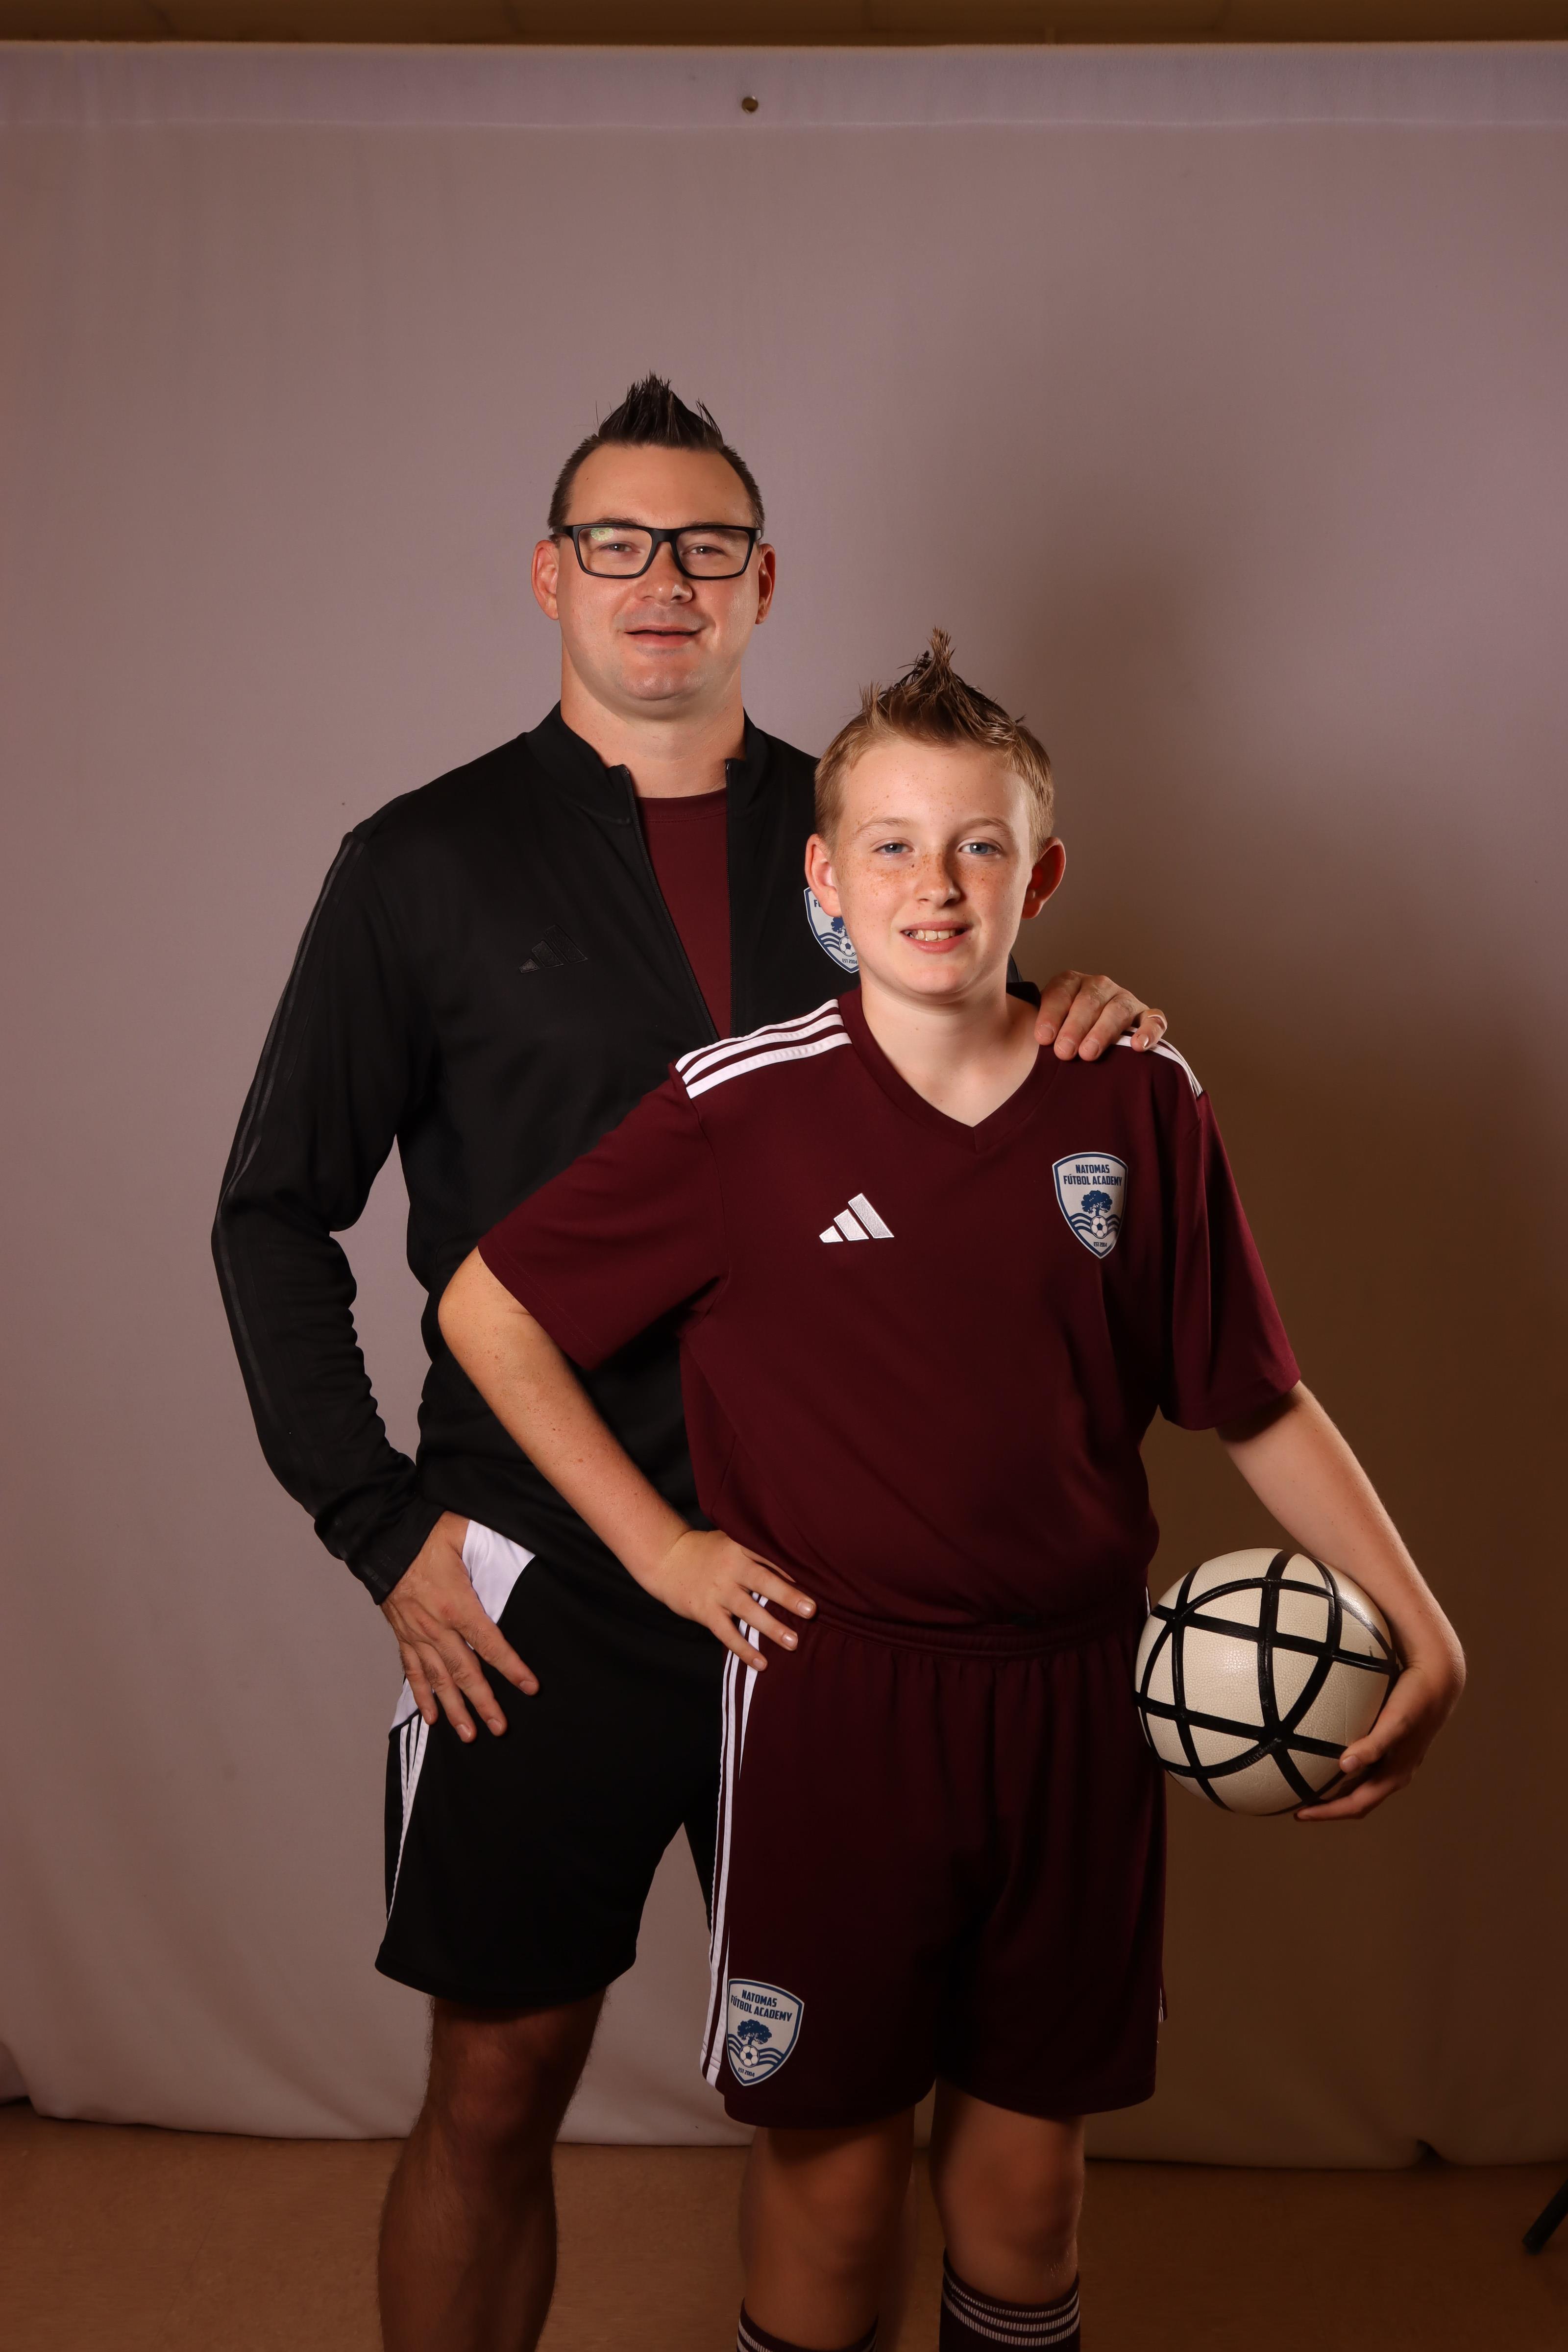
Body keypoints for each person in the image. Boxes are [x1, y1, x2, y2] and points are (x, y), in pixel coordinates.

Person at [212, 381, 1166, 2351]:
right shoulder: (419, 864)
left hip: (836, 1581)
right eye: (620, 544)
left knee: (847, 2115)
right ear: (548, 576)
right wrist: (378, 1523)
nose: (664, 580)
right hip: (546, 1567)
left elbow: (973, 1063)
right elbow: (271, 1213)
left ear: (763, 583)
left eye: (706, 545)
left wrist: (1078, 1015)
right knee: (495, 2083)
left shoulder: (869, 832)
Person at [441, 635, 1465, 2352]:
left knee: (1027, 2189)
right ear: (825, 878)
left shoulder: (1137, 1098)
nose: (936, 882)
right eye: (895, 846)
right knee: (836, 2185)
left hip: (1076, 1703)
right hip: (837, 1706)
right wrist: (665, 1548)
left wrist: (1430, 1629)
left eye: (980, 846)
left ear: (1038, 879)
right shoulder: (741, 1111)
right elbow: (490, 1309)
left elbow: (1252, 1397)